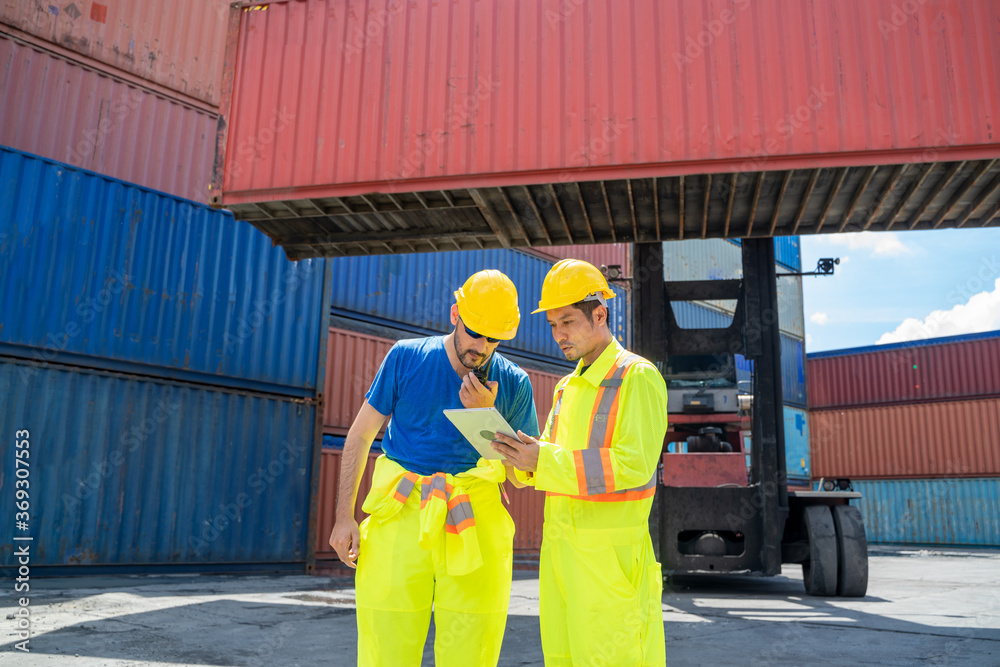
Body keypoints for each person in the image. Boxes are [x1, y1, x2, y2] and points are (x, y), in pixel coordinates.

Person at [329, 269, 539, 667]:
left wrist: (487, 418)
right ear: (455, 314)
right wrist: (344, 517)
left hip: (475, 521)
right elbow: (359, 436)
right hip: (401, 515)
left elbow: (520, 476)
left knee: (471, 651)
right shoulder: (406, 358)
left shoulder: (514, 382)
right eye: (475, 332)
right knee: (385, 649)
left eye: (493, 339)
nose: (482, 347)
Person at [492, 258, 668, 666]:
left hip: (610, 562)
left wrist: (544, 461)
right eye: (553, 325)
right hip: (561, 559)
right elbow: (548, 464)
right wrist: (518, 458)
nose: (559, 335)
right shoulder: (566, 387)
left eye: (567, 321)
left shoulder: (636, 376)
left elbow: (633, 465)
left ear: (600, 315)